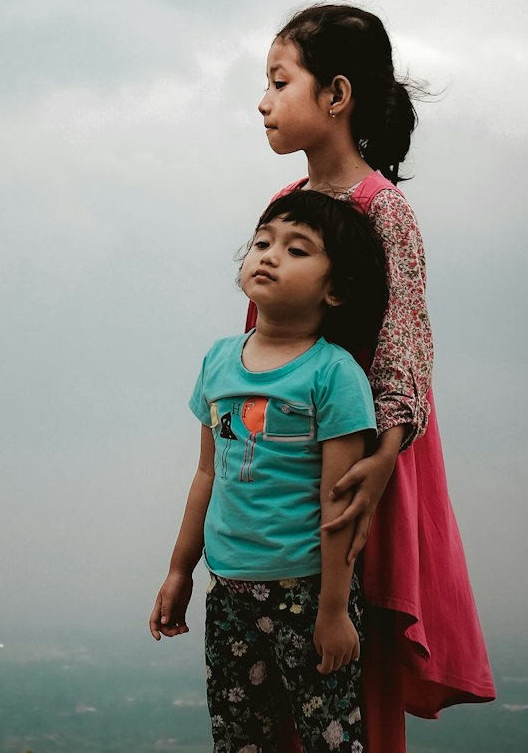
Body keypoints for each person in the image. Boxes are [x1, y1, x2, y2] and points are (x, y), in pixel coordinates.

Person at [254, 3, 495, 752]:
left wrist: (384, 456)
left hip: (362, 466)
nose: (263, 100)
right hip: (284, 464)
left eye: (279, 80)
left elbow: (404, 348)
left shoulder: (383, 210)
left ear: (337, 95)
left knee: (347, 679)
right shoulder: (285, 207)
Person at [149, 187, 389, 753]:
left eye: (297, 249)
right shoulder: (217, 360)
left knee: (331, 739)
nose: (269, 255)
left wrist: (333, 610)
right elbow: (206, 475)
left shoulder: (334, 374)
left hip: (305, 591)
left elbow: (339, 498)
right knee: (238, 740)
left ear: (336, 289)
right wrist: (181, 571)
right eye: (262, 242)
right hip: (228, 587)